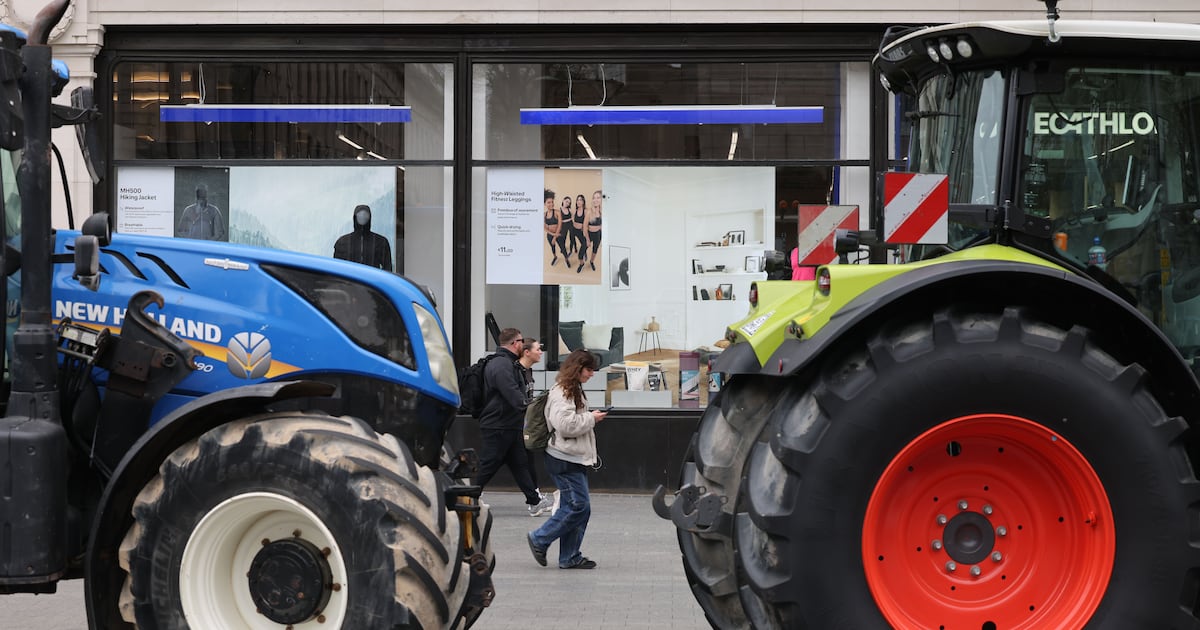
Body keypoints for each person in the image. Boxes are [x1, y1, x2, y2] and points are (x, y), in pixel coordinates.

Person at [527, 349, 607, 569]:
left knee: (576, 506)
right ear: (577, 368)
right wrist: (592, 418)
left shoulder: (570, 389)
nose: (592, 374)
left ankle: (569, 556)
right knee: (578, 506)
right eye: (589, 369)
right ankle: (540, 538)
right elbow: (566, 425)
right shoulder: (563, 392)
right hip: (564, 457)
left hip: (569, 456)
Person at [476, 328, 555, 516]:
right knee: (488, 464)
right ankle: (466, 496)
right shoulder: (502, 365)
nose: (523, 343)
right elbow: (514, 396)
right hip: (499, 424)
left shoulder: (508, 363)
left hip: (509, 424)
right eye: (521, 341)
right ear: (515, 344)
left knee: (519, 463)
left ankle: (534, 502)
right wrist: (532, 406)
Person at [517, 337, 545, 491]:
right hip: (516, 423)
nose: (540, 352)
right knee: (493, 461)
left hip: (526, 423)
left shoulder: (528, 370)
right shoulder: (517, 371)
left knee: (527, 460)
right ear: (527, 352)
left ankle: (535, 497)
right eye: (537, 349)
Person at [333, 204, 393, 271]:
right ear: (355, 217)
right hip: (349, 280)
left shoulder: (381, 242)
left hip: (371, 280)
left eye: (366, 214)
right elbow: (337, 269)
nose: (363, 216)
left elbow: (388, 269)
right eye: (359, 214)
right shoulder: (342, 242)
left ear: (370, 217)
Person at [579, 190, 603, 273]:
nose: (595, 200)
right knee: (581, 253)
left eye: (598, 197)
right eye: (594, 198)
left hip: (598, 235)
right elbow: (585, 227)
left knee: (595, 250)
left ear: (601, 200)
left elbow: (602, 226)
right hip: (588, 234)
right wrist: (588, 240)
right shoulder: (589, 211)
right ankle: (581, 264)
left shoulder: (602, 212)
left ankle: (591, 262)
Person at [543, 189, 564, 267]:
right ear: (545, 204)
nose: (551, 204)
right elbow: (544, 228)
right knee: (553, 247)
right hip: (550, 235)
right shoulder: (544, 215)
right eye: (549, 202)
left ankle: (566, 259)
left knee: (563, 248)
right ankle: (555, 257)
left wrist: (555, 237)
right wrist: (552, 235)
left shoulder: (557, 212)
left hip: (558, 234)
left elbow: (560, 225)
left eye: (552, 202)